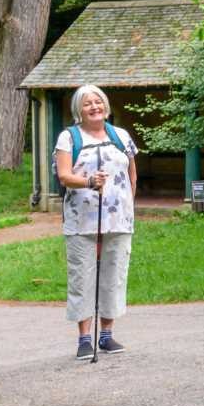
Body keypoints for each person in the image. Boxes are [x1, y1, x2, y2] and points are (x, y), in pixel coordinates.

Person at [54, 84, 139, 358]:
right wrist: (89, 182)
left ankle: (107, 335)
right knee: (82, 275)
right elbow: (64, 176)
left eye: (98, 102)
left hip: (118, 219)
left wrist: (126, 203)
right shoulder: (69, 137)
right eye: (87, 103)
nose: (94, 107)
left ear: (105, 106)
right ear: (79, 109)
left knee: (113, 274)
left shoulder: (121, 136)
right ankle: (83, 339)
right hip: (82, 220)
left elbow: (131, 175)